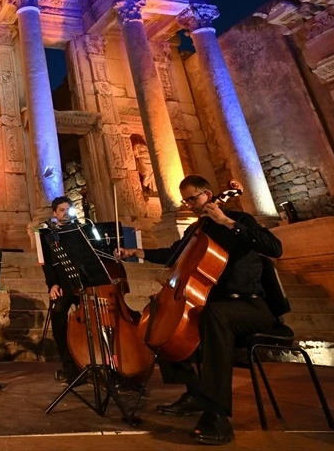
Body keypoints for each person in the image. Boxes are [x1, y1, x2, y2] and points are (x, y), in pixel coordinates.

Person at [121, 174, 283, 446]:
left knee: (213, 316)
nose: (190, 204)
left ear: (208, 194)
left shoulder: (240, 221)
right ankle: (195, 391)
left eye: (193, 198)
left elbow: (275, 248)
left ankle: (216, 412)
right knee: (161, 322)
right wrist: (137, 253)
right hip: (213, 306)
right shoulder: (196, 230)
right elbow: (173, 255)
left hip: (250, 305)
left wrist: (226, 222)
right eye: (186, 200)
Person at [38, 196, 81, 384]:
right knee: (58, 313)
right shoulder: (48, 235)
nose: (65, 213)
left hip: (84, 285)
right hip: (64, 286)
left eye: (67, 210)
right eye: (61, 210)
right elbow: (48, 264)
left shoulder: (80, 231)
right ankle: (68, 366)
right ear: (55, 213)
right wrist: (52, 284)